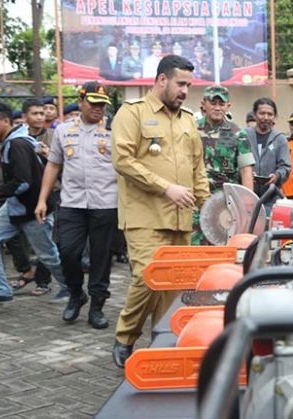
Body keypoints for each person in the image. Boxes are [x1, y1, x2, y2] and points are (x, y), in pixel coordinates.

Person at [110, 55, 209, 367]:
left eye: (189, 86)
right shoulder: (132, 113)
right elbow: (123, 160)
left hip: (181, 219)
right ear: (162, 80)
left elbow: (197, 166)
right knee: (148, 277)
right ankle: (125, 337)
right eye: (181, 84)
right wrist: (165, 187)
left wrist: (207, 207)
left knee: (172, 286)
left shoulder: (188, 119)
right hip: (144, 216)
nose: (185, 91)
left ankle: (162, 341)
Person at [35, 81, 118, 329]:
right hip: (72, 203)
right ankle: (76, 294)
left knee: (101, 258)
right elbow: (53, 165)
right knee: (67, 251)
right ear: (81, 101)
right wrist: (42, 199)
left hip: (106, 203)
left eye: (103, 104)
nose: (99, 108)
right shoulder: (63, 130)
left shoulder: (115, 130)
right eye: (93, 103)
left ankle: (97, 306)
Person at [0, 102, 67, 303]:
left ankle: (71, 287)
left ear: (6, 121)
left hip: (34, 209)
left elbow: (22, 184)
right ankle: (2, 290)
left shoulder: (17, 144)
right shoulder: (11, 141)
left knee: (48, 255)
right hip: (14, 206)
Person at [191, 85, 254, 245]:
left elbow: (246, 171)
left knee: (224, 248)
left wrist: (247, 205)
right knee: (195, 249)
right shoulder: (192, 130)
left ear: (228, 106)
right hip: (196, 203)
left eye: (221, 103)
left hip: (225, 204)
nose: (217, 107)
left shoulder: (238, 133)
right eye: (213, 103)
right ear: (203, 104)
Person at [239, 98, 291, 199]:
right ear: (254, 115)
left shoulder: (280, 139)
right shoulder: (243, 136)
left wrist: (277, 176)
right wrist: (246, 175)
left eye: (270, 114)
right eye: (262, 113)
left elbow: (285, 166)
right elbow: (235, 163)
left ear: (275, 117)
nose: (266, 117)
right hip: (245, 196)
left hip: (271, 197)